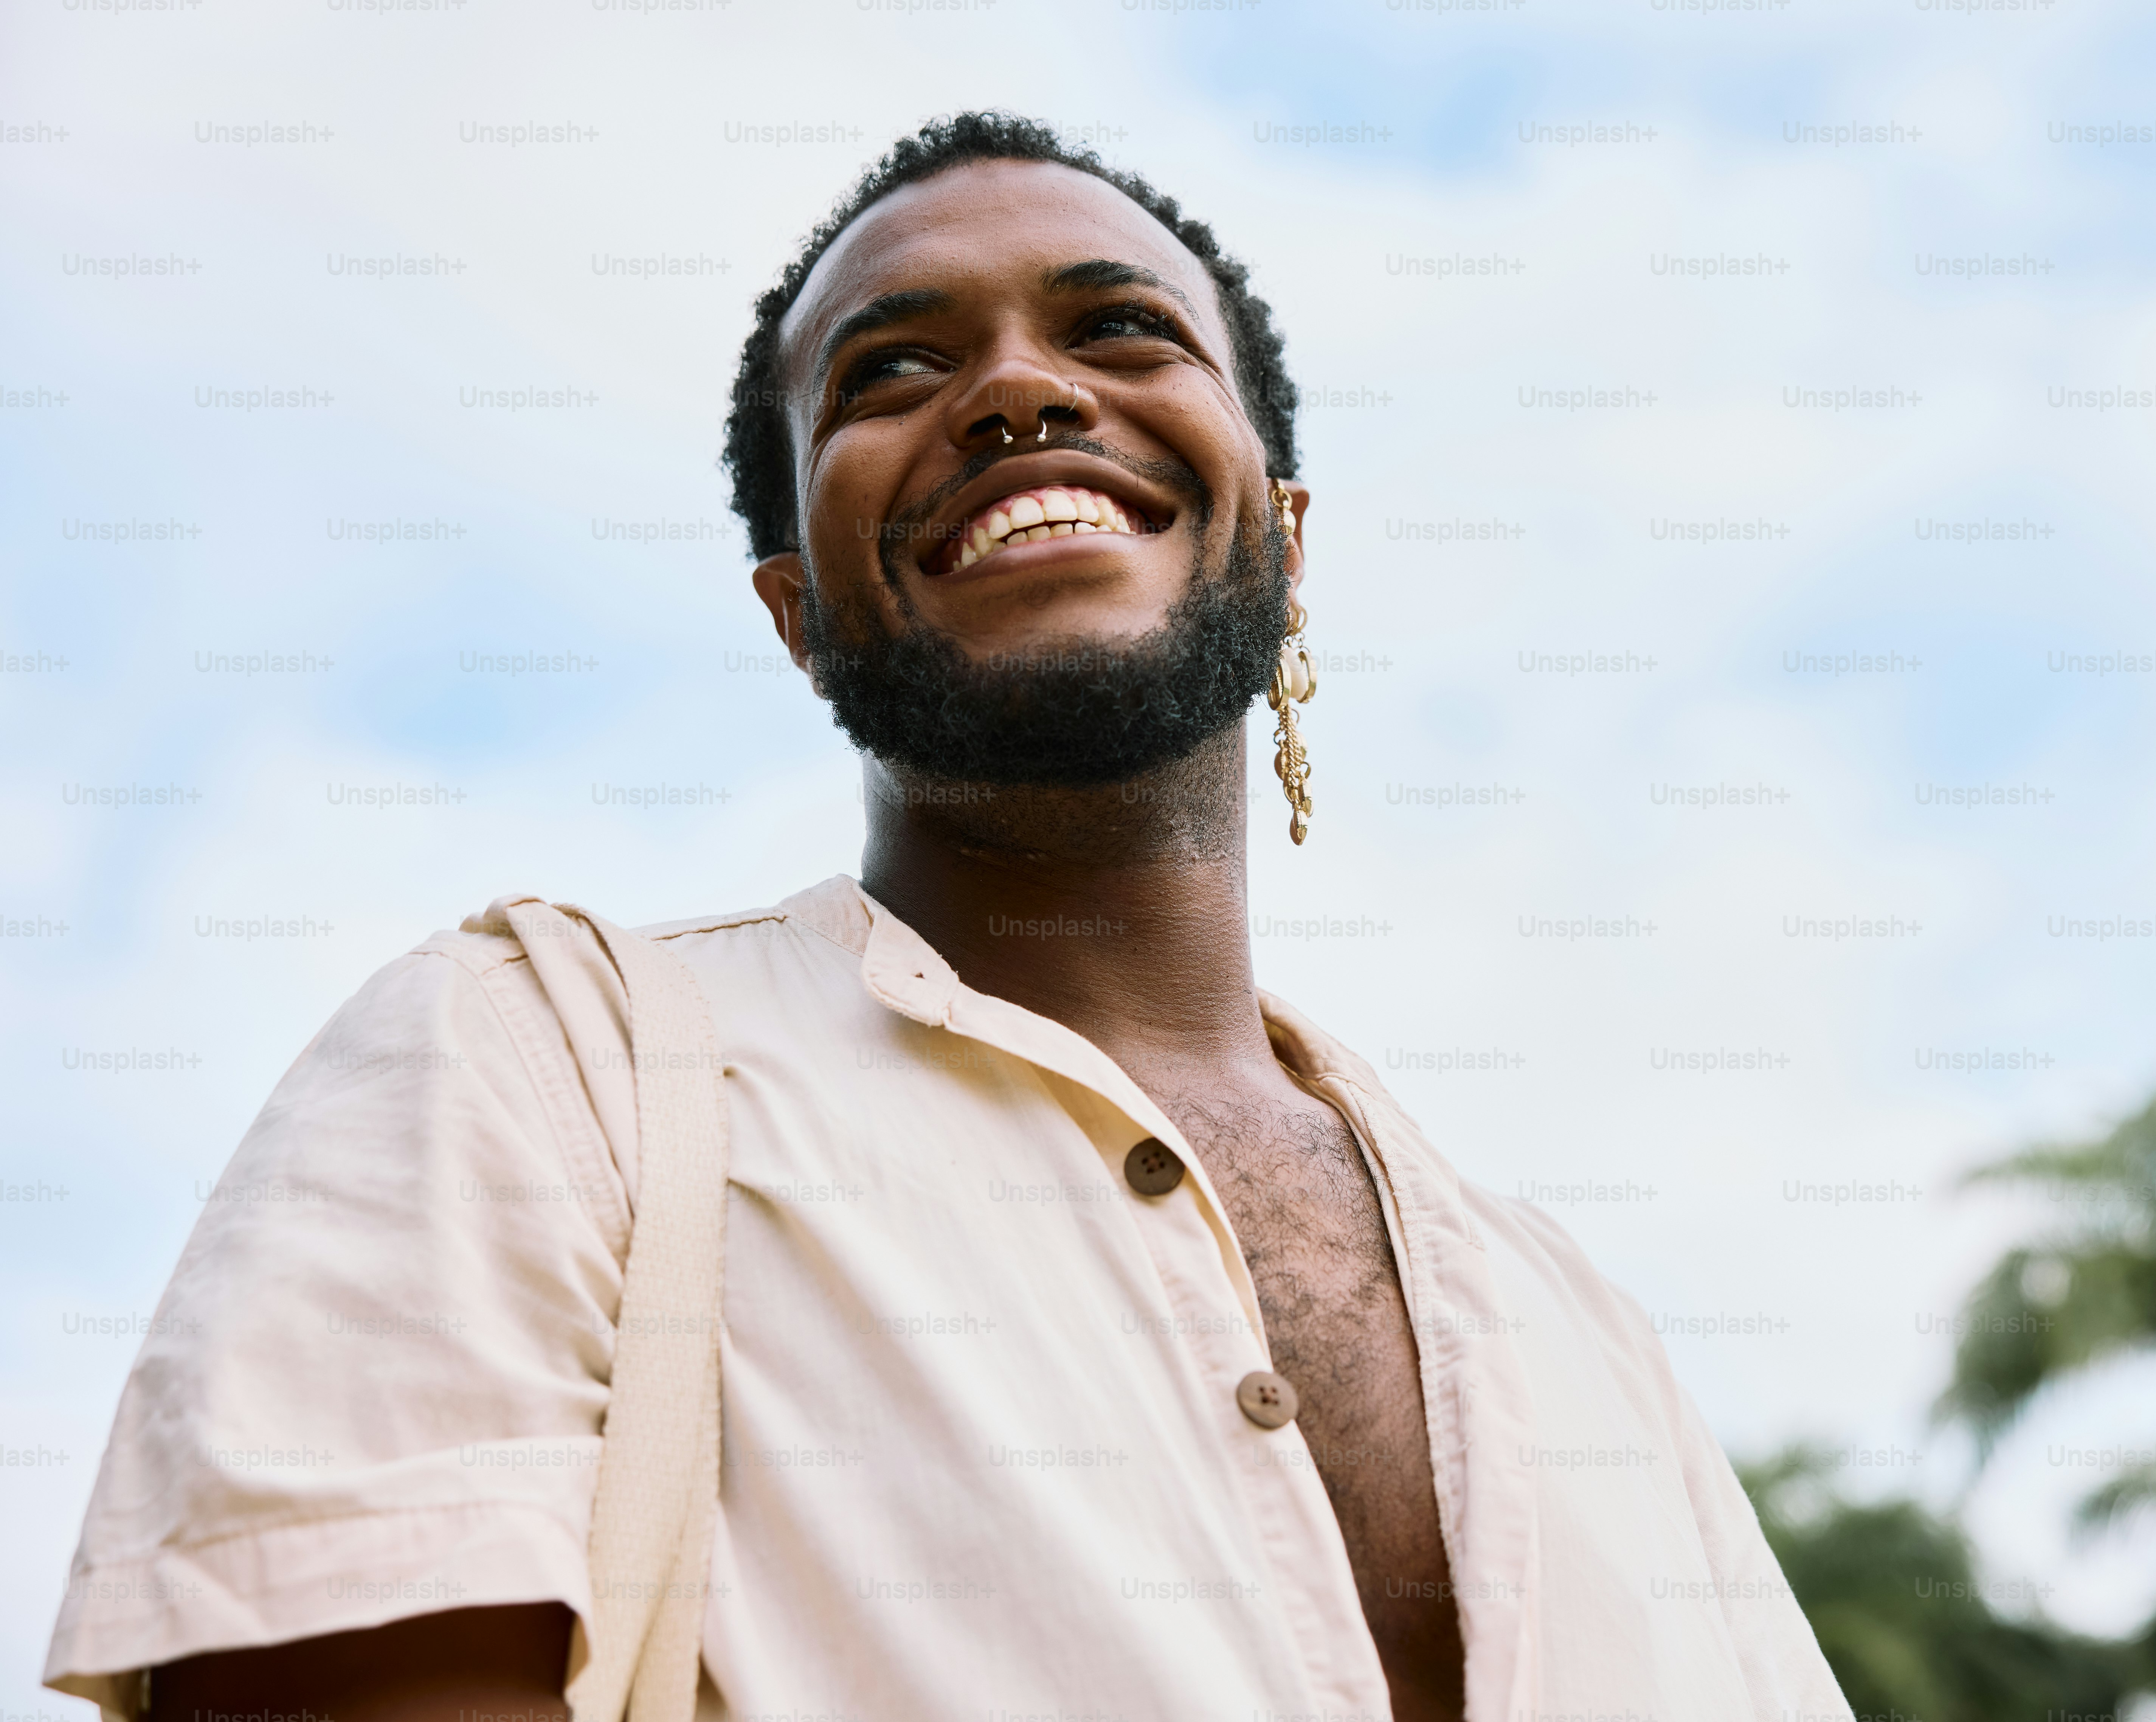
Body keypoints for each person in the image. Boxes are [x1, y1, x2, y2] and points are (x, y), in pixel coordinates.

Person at [45, 112, 1848, 1722]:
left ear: (1287, 538)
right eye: (893, 369)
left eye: (1121, 329)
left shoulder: (1578, 1329)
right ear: (795, 608)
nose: (1017, 393)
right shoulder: (529, 1068)